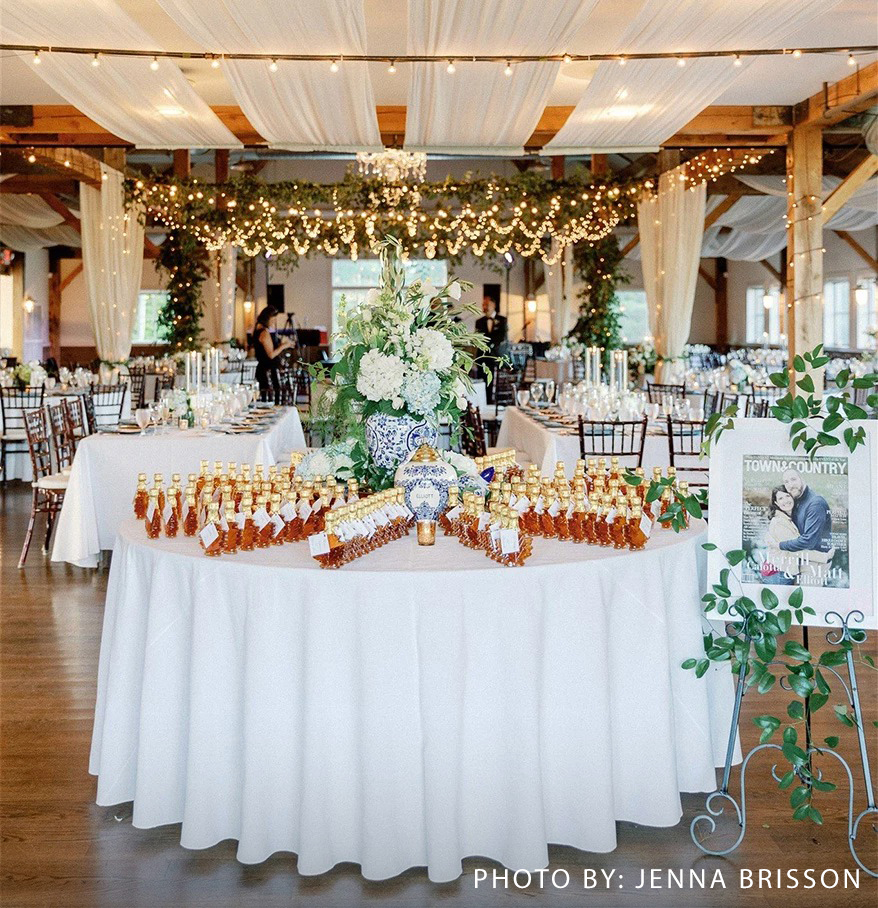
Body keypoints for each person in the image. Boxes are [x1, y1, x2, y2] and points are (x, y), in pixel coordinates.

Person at [764, 484, 834, 584]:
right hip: (779, 573)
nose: (785, 500)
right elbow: (796, 550)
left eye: (787, 496)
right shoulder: (779, 522)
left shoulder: (790, 517)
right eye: (781, 498)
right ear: (776, 503)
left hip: (786, 571)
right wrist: (824, 557)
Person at [252, 305, 293, 402]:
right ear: (267, 319)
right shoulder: (264, 333)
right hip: (268, 371)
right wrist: (284, 346)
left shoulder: (258, 329)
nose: (274, 322)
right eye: (273, 319)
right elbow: (271, 354)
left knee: (269, 398)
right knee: (272, 398)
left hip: (264, 369)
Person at [475, 293, 507, 402]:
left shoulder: (502, 320)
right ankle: (483, 402)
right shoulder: (479, 322)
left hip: (495, 355)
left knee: (494, 381)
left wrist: (488, 342)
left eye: (487, 304)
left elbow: (501, 337)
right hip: (482, 356)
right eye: (483, 305)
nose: (484, 307)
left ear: (493, 305)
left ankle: (494, 402)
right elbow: (478, 337)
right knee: (482, 381)